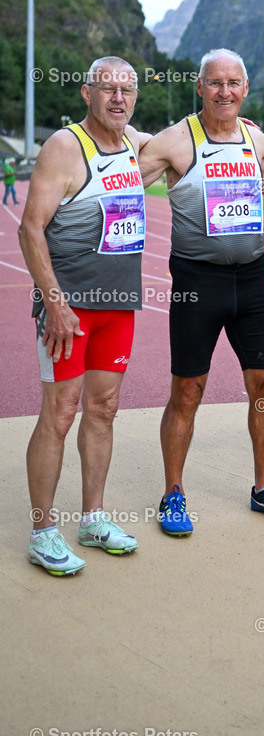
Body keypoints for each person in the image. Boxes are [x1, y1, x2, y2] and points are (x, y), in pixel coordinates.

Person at [138, 49, 264, 534]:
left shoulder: (254, 138)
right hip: (196, 282)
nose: (225, 91)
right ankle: (173, 494)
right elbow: (121, 183)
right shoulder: (177, 141)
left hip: (253, 280)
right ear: (200, 87)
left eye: (233, 83)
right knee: (188, 389)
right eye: (215, 82)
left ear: (246, 88)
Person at [18, 57, 145, 575]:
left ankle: (92, 517)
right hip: (69, 311)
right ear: (86, 94)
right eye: (108, 89)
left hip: (119, 307)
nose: (118, 98)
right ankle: (43, 532)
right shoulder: (65, 147)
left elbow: (188, 142)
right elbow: (31, 228)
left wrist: (236, 124)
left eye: (127, 89)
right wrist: (55, 303)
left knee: (103, 409)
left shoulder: (135, 143)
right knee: (60, 412)